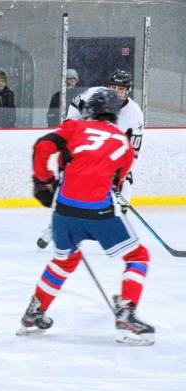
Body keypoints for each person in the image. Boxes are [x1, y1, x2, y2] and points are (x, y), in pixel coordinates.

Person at [18, 88, 154, 346]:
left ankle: (34, 313)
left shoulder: (73, 127)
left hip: (64, 211)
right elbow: (117, 180)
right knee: (137, 256)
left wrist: (42, 182)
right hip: (100, 210)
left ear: (88, 110)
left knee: (64, 261)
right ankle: (127, 311)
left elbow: (43, 145)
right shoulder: (122, 142)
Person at [37, 70, 144, 249]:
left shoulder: (135, 114)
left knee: (126, 189)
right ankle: (54, 227)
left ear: (128, 91)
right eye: (114, 87)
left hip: (112, 156)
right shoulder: (94, 94)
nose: (117, 92)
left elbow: (133, 151)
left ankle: (117, 228)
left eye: (121, 89)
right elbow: (74, 107)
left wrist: (119, 177)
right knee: (68, 185)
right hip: (85, 150)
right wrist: (72, 127)